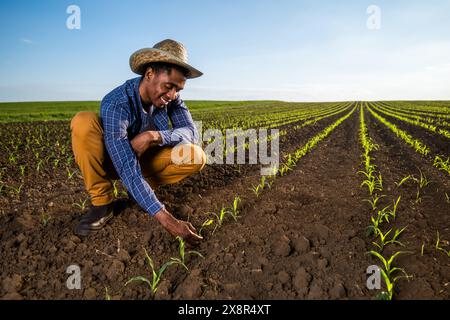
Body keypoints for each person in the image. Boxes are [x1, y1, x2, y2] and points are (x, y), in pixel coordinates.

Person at [70, 39, 205, 246]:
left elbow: (191, 134)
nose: (173, 94)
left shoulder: (173, 99)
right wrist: (166, 219)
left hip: (145, 161)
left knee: (195, 155)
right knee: (83, 122)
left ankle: (141, 192)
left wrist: (154, 136)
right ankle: (102, 204)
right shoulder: (117, 101)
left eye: (178, 89)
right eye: (169, 86)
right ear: (150, 73)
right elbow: (125, 165)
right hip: (113, 161)